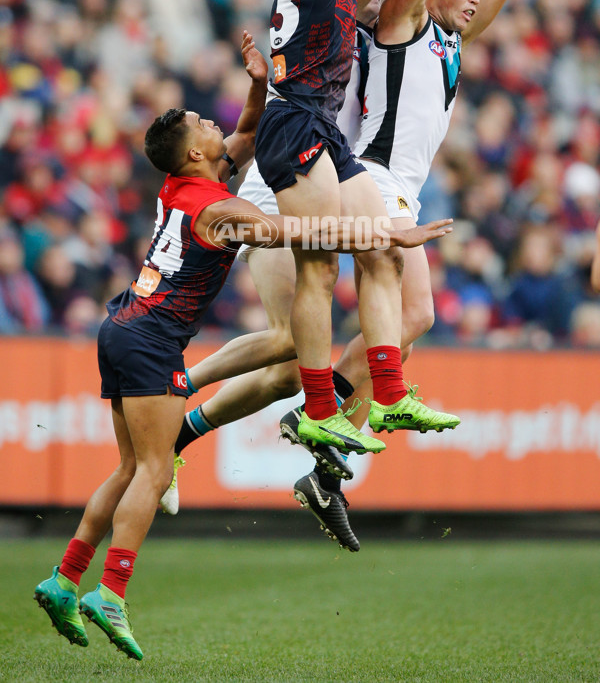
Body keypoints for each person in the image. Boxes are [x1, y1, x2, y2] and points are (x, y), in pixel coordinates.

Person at [33, 32, 453, 659]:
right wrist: (391, 231)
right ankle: (111, 593)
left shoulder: (186, 182)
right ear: (199, 151)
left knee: (129, 468)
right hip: (152, 342)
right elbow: (306, 228)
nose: (215, 123)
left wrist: (259, 80)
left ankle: (65, 579)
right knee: (151, 470)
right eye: (206, 122)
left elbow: (249, 132)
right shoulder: (221, 211)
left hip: (122, 327)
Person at [162, 0, 476, 549]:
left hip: (324, 152)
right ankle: (189, 410)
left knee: (368, 283)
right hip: (295, 156)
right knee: (293, 328)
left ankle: (359, 410)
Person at [250, 0, 463, 466]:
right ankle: (317, 412)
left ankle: (391, 393)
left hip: (320, 124)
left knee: (381, 257)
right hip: (295, 123)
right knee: (321, 267)